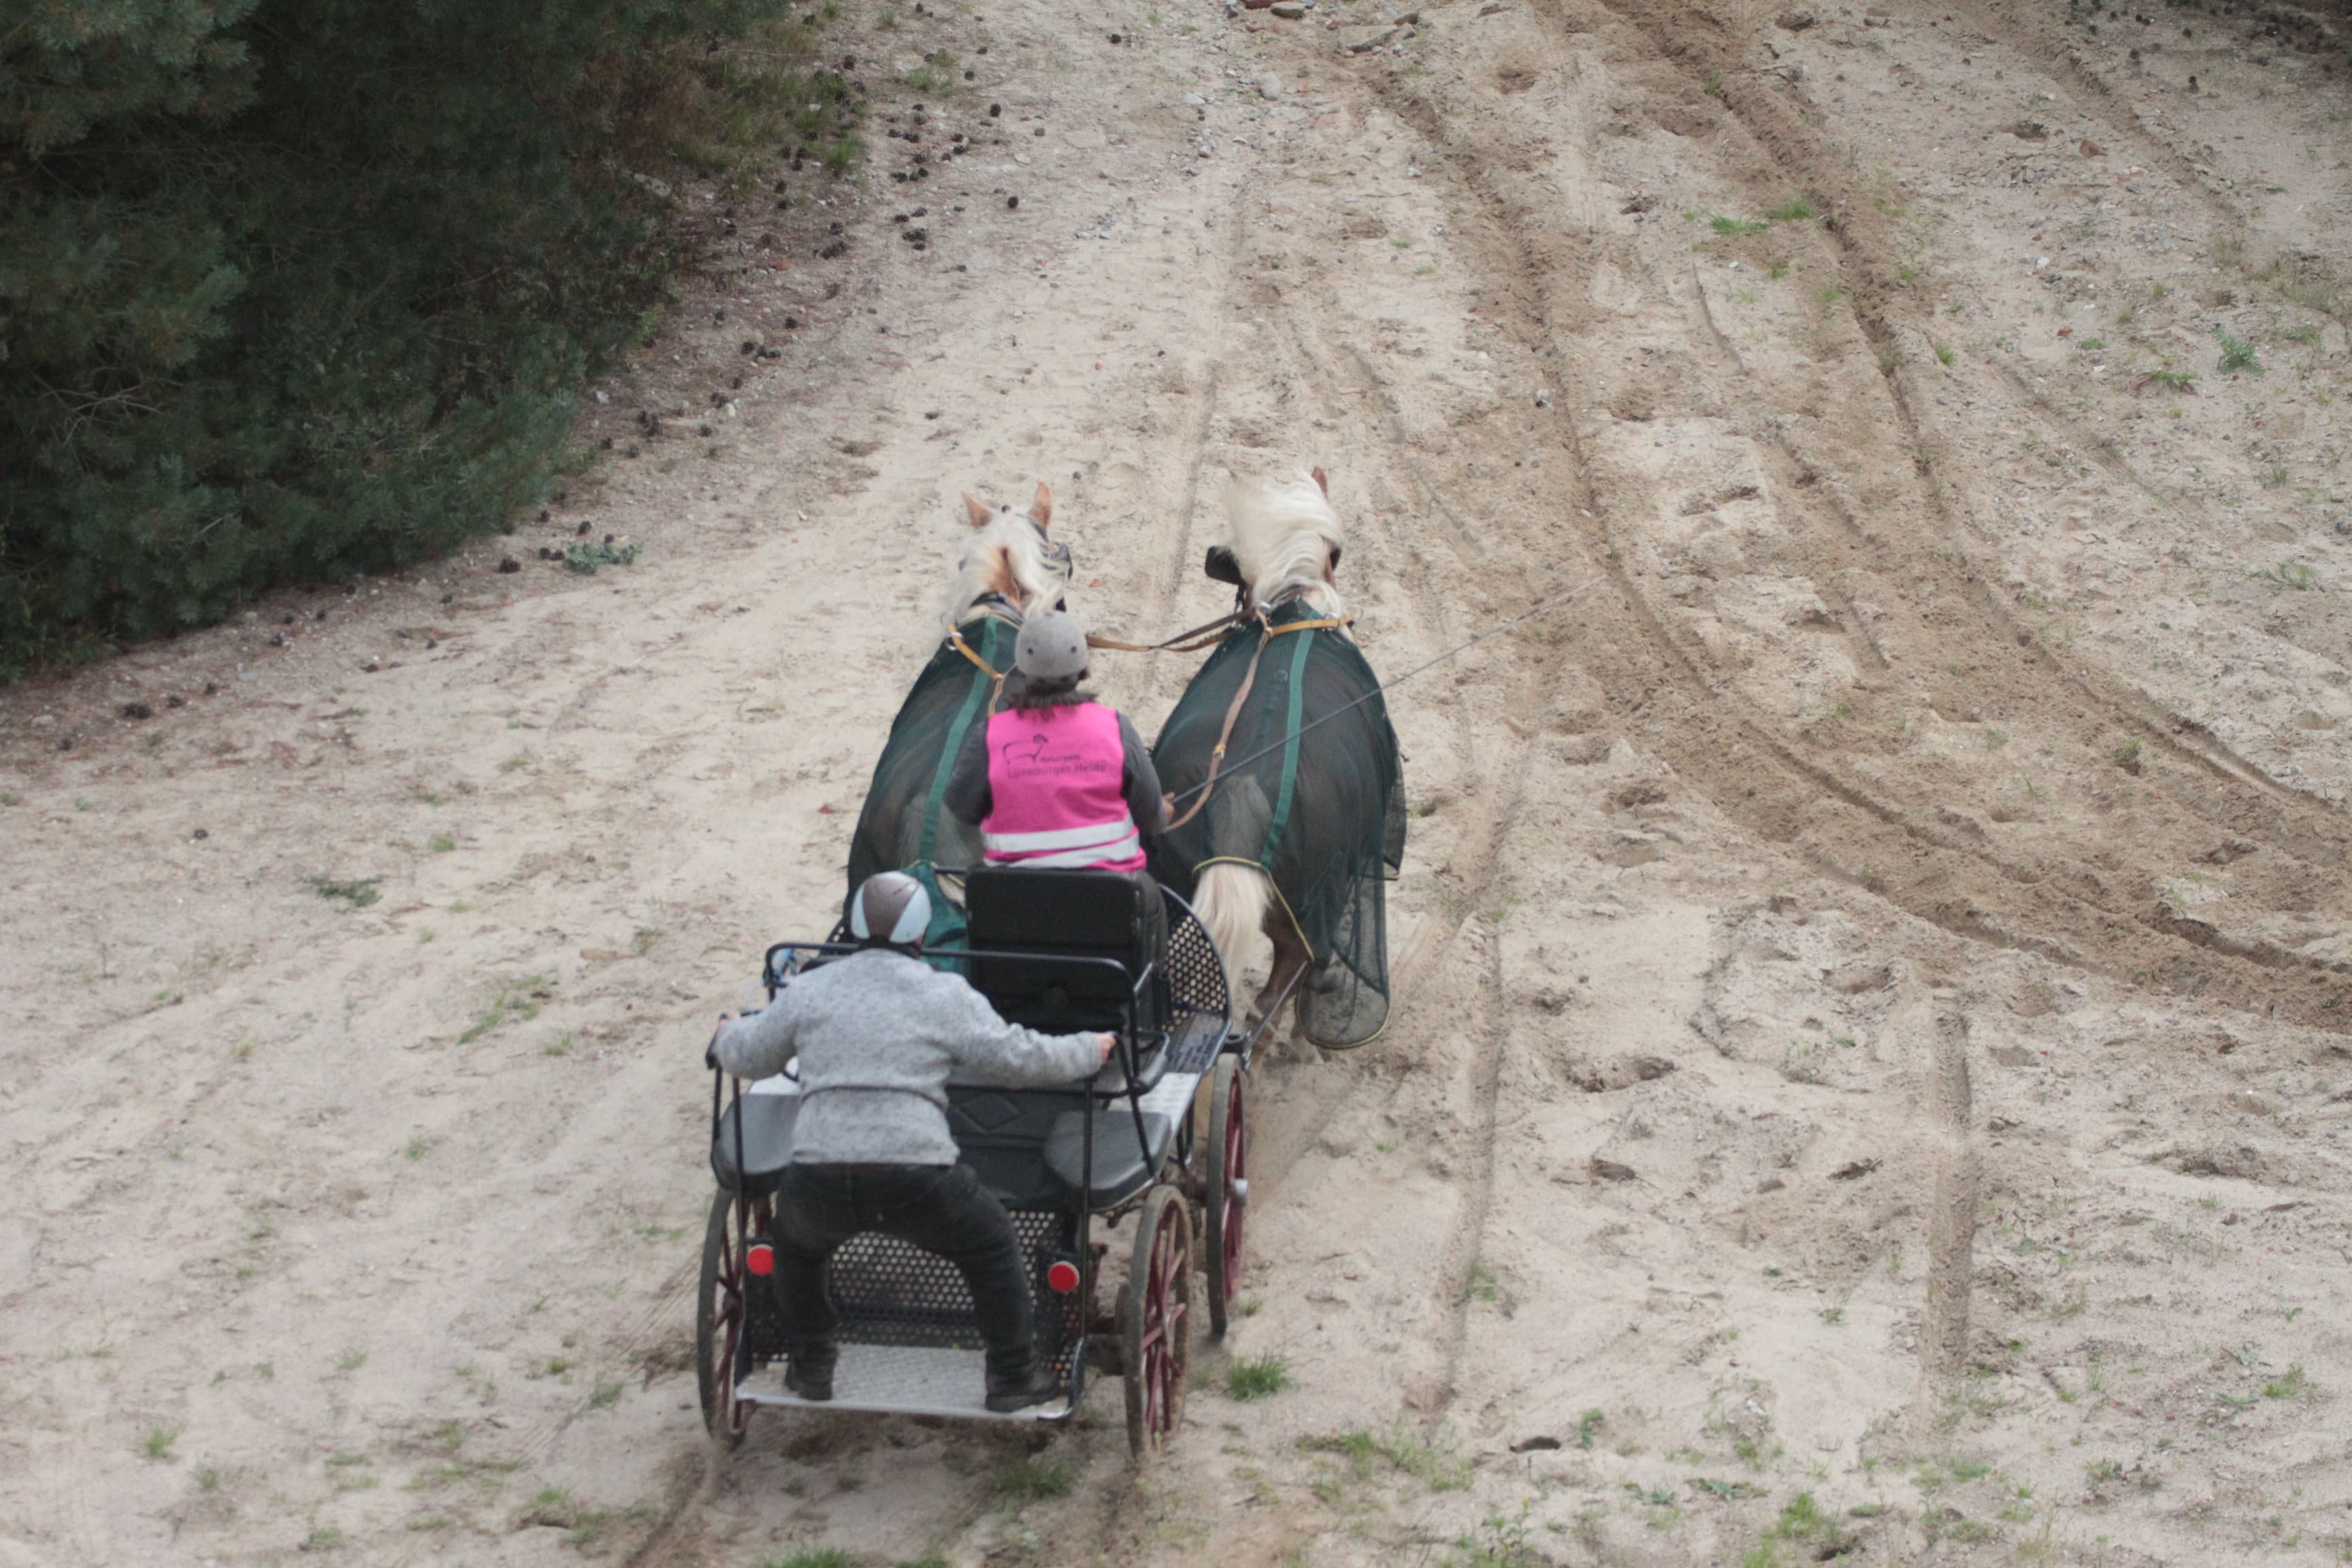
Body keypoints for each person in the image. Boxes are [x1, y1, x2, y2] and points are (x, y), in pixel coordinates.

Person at [709, 870, 1113, 1411]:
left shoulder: (808, 990)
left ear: (852, 926)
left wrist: (727, 1030)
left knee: (798, 1248)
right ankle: (1013, 1375)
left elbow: (749, 1055)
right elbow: (1019, 1059)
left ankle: (810, 1367)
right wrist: (1091, 1048)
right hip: (916, 1176)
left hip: (818, 1172)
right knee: (993, 1246)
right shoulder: (945, 994)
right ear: (922, 936)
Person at [945, 609, 1168, 870]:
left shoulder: (990, 735)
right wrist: (1163, 811)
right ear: (1084, 667)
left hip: (1010, 898)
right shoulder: (1117, 728)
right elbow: (1153, 819)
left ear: (1021, 667)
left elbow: (962, 809)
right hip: (1111, 899)